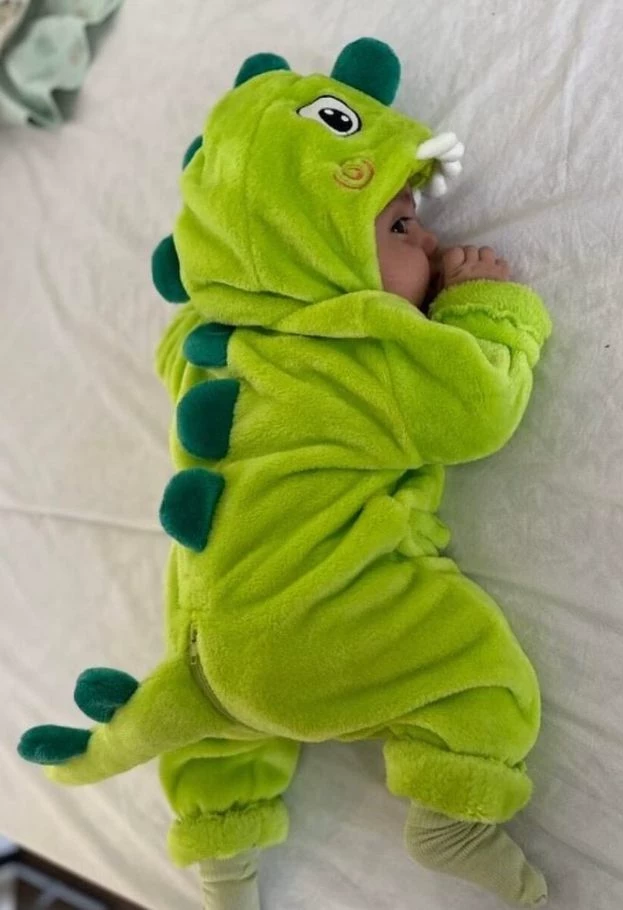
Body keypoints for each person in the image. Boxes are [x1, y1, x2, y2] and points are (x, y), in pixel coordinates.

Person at [19, 38, 551, 910]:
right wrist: (486, 307)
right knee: (472, 667)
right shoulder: (358, 353)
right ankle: (451, 807)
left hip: (213, 653)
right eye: (401, 226)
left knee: (214, 731)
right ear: (313, 252)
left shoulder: (205, 350)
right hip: (326, 622)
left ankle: (224, 865)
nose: (432, 238)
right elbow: (477, 411)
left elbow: (191, 317)